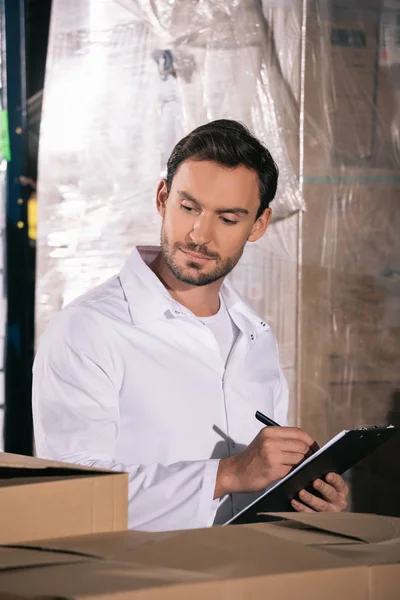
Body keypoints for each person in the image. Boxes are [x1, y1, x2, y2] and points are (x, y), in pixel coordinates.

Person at [33, 119, 349, 531]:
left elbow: (253, 492)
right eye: (189, 207)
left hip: (247, 579)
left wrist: (302, 494)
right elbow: (70, 495)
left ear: (258, 225)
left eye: (228, 219)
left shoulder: (255, 338)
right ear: (163, 197)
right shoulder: (87, 332)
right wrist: (228, 474)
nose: (200, 234)